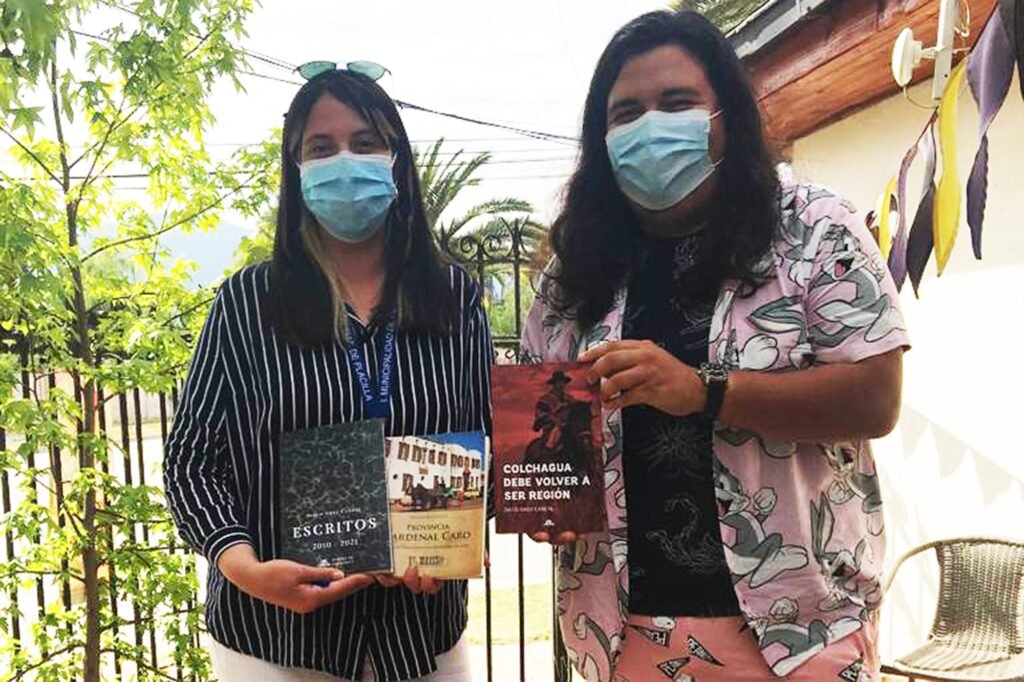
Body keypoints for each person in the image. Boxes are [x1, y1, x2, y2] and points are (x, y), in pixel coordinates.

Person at [520, 10, 908, 682]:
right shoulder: (573, 272)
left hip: (799, 633)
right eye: (626, 112)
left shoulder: (814, 229)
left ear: (726, 115)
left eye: (677, 102)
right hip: (624, 635)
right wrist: (547, 505)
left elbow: (876, 400)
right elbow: (540, 425)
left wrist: (704, 391)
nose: (650, 126)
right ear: (601, 138)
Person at [164, 63, 492, 682]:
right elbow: (192, 463)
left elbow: (492, 445)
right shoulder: (247, 303)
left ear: (397, 161)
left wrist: (453, 537)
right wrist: (243, 567)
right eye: (322, 147)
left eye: (366, 143)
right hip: (273, 641)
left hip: (422, 638)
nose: (346, 161)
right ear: (296, 168)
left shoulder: (454, 299)